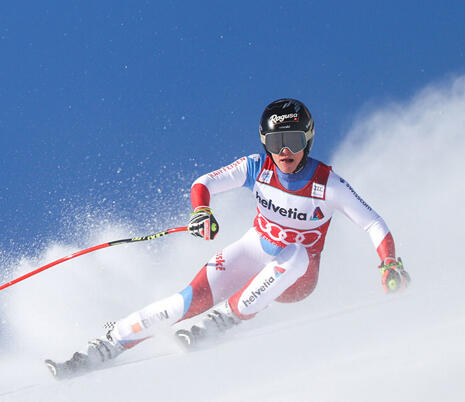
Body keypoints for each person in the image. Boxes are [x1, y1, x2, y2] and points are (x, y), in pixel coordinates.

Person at [45, 98, 410, 379]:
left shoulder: (327, 183)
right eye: (277, 141)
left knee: (297, 252)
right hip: (256, 249)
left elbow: (373, 224)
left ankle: (224, 320)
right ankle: (106, 345)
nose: (285, 151)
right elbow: (204, 183)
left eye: (294, 140)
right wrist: (201, 211)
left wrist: (389, 263)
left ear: (308, 140)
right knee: (183, 302)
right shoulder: (256, 167)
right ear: (265, 142)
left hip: (297, 276)